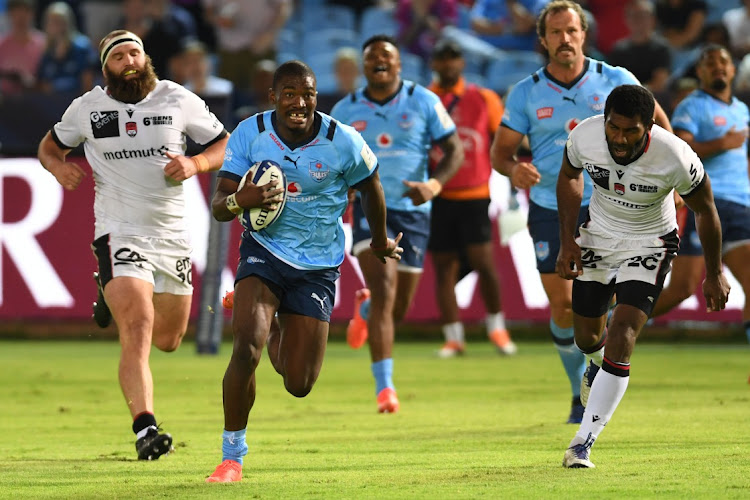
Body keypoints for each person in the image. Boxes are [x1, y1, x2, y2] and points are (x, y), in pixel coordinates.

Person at [206, 60, 402, 482]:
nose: (299, 102)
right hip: (264, 252)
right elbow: (220, 206)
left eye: (307, 94)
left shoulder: (341, 140)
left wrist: (382, 240)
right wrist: (245, 197)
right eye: (290, 93)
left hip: (317, 265)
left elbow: (372, 185)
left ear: (316, 97)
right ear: (274, 96)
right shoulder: (249, 133)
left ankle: (274, 325)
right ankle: (231, 456)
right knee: (245, 350)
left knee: (299, 383)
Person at [36, 29, 230, 460]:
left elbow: (224, 143)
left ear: (146, 59)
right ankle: (145, 428)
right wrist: (56, 168)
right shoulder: (88, 108)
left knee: (168, 338)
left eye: (135, 53)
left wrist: (196, 162)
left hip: (173, 236)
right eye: (119, 56)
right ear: (106, 67)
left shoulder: (175, 98)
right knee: (138, 326)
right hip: (119, 231)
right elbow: (49, 147)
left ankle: (107, 294)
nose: (129, 61)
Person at [489, 0, 673, 425]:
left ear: (584, 34)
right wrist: (514, 167)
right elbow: (500, 153)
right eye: (556, 32)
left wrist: (671, 182)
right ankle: (580, 386)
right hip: (551, 208)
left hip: (614, 207)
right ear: (543, 40)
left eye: (571, 31)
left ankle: (595, 376)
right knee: (563, 307)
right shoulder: (526, 92)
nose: (565, 39)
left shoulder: (616, 80)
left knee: (602, 303)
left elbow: (660, 125)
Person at [556, 84, 730, 468]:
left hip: (650, 242)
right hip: (597, 236)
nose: (619, 138)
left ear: (649, 126)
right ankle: (596, 362)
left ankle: (582, 442)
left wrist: (714, 272)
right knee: (586, 338)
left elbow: (706, 210)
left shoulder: (676, 156)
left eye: (630, 131)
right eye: (613, 128)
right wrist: (567, 240)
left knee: (624, 330)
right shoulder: (584, 134)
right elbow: (569, 176)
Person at [331, 34, 464, 413]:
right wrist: (344, 187)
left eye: (386, 57)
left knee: (396, 307)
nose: (379, 62)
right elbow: (325, 158)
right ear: (364, 66)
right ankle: (385, 388)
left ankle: (367, 311)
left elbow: (455, 148)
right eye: (372, 58)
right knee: (386, 290)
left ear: (399, 64)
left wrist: (435, 183)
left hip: (414, 212)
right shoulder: (345, 109)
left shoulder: (424, 100)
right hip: (372, 211)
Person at [649, 44, 750, 344]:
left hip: (740, 205)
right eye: (710, 63)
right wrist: (722, 142)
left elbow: (740, 155)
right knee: (682, 288)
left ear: (733, 70)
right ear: (701, 72)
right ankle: (617, 318)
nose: (718, 66)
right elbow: (682, 150)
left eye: (723, 62)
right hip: (705, 203)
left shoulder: (741, 110)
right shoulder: (691, 106)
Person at [426, 38, 516, 358]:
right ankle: (453, 337)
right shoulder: (426, 100)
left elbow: (504, 139)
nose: (448, 65)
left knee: (484, 263)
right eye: (442, 59)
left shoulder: (483, 98)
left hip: (476, 193)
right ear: (434, 64)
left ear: (461, 63)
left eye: (453, 59)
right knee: (445, 268)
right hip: (439, 194)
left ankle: (497, 329)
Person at [607, 0, 672, 93]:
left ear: (653, 19)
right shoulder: (618, 50)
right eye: (633, 15)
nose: (638, 19)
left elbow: (659, 83)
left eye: (642, 15)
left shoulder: (661, 48)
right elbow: (613, 80)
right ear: (626, 19)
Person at [36, 1, 98, 95]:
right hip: (52, 104)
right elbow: (43, 85)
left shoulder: (82, 47)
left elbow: (88, 82)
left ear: (68, 22)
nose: (56, 26)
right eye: (52, 22)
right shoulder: (46, 52)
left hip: (78, 102)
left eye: (59, 21)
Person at [0, 0, 45, 96]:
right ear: (9, 14)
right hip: (5, 103)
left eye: (25, 12)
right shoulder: (1, 45)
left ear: (32, 14)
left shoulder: (43, 43)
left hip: (37, 102)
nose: (21, 18)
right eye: (16, 13)